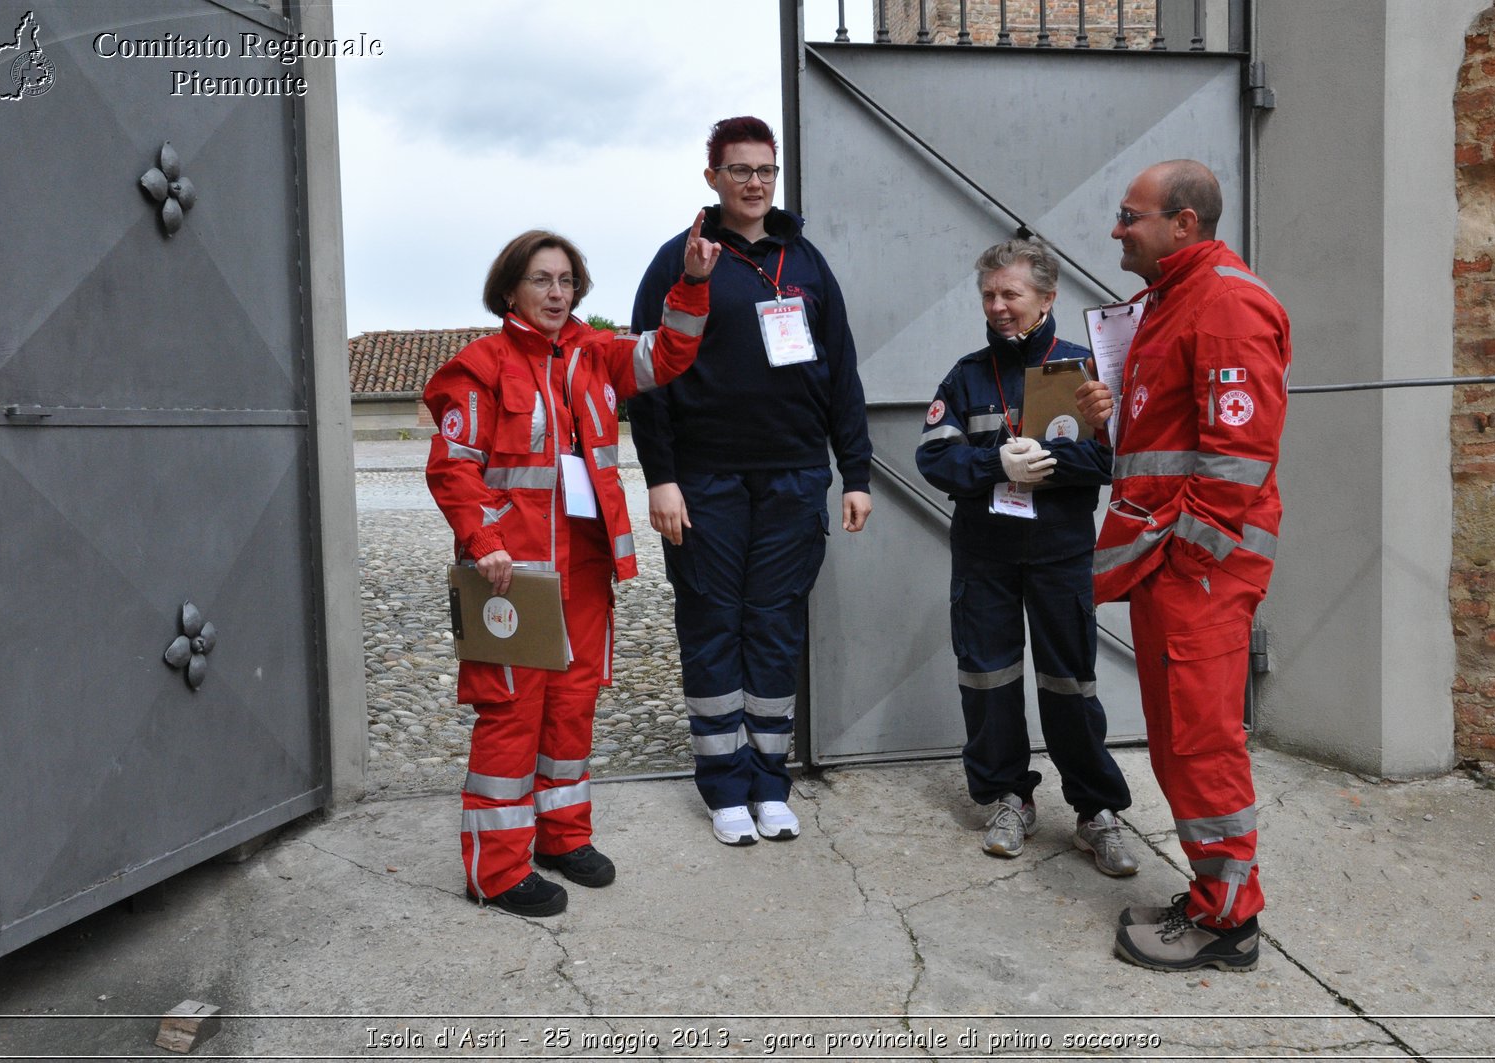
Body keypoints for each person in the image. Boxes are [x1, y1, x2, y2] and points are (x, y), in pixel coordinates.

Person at [424, 218, 719, 916]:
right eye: (541, 280)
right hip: (511, 576)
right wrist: (483, 539)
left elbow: (668, 354)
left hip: (585, 571)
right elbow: (452, 469)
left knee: (571, 708)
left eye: (566, 280)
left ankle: (561, 836)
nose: (557, 293)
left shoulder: (595, 353)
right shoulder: (480, 366)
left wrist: (695, 282)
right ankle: (494, 871)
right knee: (511, 713)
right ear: (511, 290)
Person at [627, 116, 873, 847]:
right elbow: (649, 379)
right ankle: (724, 788)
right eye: (740, 171)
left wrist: (852, 472)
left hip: (795, 479)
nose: (755, 183)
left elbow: (842, 373)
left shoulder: (806, 262)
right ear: (712, 178)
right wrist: (662, 478)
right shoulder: (681, 260)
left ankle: (770, 782)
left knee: (773, 629)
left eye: (765, 171)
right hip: (706, 483)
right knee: (711, 627)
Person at [1074, 160, 1291, 972]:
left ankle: (1230, 922)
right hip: (1171, 560)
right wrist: (1105, 419)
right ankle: (1211, 893)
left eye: (1130, 216)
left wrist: (1189, 557)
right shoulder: (1165, 304)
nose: (1116, 229)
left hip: (1196, 568)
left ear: (1184, 224)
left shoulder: (1228, 303)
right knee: (1175, 741)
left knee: (1201, 744)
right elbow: (1164, 439)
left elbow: (1238, 458)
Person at [914, 237, 1137, 875]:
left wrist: (1050, 463)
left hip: (1060, 554)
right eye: (989, 295)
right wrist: (994, 462)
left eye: (1011, 294)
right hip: (984, 554)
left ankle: (1096, 811)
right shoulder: (965, 375)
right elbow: (934, 455)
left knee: (1070, 682)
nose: (998, 307)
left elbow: (1111, 457)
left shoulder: (1082, 371)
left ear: (1046, 295)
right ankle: (1007, 797)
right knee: (987, 679)